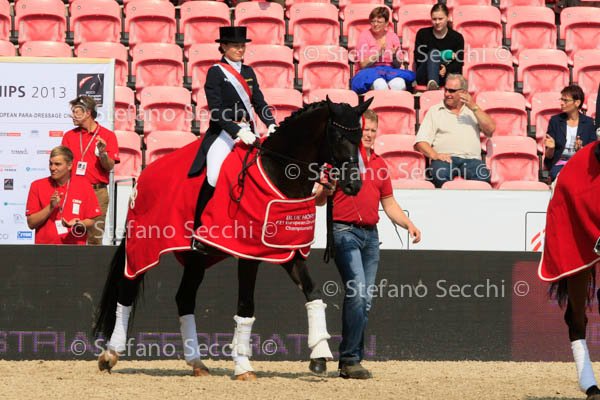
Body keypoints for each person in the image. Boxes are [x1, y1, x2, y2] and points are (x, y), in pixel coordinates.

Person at [315, 109, 422, 379]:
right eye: (366, 130)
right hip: (344, 231)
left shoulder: (380, 164)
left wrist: (408, 223)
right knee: (358, 294)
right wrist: (326, 189)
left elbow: (389, 203)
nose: (370, 135)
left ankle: (350, 359)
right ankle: (351, 359)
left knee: (364, 301)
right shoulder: (338, 159)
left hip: (371, 236)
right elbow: (319, 200)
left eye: (374, 130)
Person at [188, 26, 276, 232]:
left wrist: (271, 123)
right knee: (214, 175)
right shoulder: (215, 72)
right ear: (224, 47)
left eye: (242, 45)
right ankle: (198, 227)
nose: (240, 49)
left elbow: (259, 102)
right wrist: (237, 131)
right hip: (225, 131)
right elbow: (216, 111)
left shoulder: (248, 72)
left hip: (249, 129)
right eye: (235, 46)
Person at [415, 73, 495, 188]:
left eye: (452, 91)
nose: (447, 94)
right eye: (446, 90)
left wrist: (474, 107)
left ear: (463, 92)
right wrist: (435, 155)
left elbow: (490, 130)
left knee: (483, 177)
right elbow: (420, 142)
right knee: (439, 175)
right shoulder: (435, 111)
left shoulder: (473, 111)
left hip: (472, 160)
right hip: (445, 160)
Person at [61, 96, 119, 245]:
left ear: (87, 113)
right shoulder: (69, 136)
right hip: (74, 191)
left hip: (97, 192)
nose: (73, 115)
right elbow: (62, 166)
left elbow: (109, 166)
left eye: (76, 112)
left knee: (94, 238)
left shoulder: (107, 135)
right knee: (71, 235)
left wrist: (103, 153)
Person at [26, 146, 101, 245]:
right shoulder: (37, 185)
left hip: (74, 247)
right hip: (44, 247)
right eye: (50, 163)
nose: (52, 168)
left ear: (69, 165)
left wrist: (78, 223)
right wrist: (50, 207)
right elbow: (31, 223)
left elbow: (91, 221)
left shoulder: (84, 185)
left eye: (57, 164)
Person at [350, 6, 415, 94]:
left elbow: (397, 65)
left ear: (386, 23)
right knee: (380, 85)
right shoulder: (364, 35)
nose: (375, 24)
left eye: (379, 22)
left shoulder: (393, 36)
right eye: (373, 21)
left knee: (399, 84)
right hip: (369, 72)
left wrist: (394, 56)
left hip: (389, 71)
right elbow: (363, 64)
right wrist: (378, 54)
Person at [544, 85, 597, 181]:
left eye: (565, 100)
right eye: (561, 99)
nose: (561, 103)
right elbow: (548, 156)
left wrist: (581, 150)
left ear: (577, 103)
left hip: (581, 164)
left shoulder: (589, 123)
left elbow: (592, 153)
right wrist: (551, 148)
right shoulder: (555, 121)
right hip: (560, 166)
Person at [414, 3, 464, 90]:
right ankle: (433, 84)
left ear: (447, 18)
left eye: (440, 19)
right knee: (434, 53)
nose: (437, 22)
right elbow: (419, 58)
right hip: (425, 75)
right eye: (434, 19)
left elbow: (459, 62)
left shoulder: (457, 37)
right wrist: (437, 66)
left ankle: (433, 85)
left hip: (447, 76)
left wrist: (446, 69)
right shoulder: (422, 34)